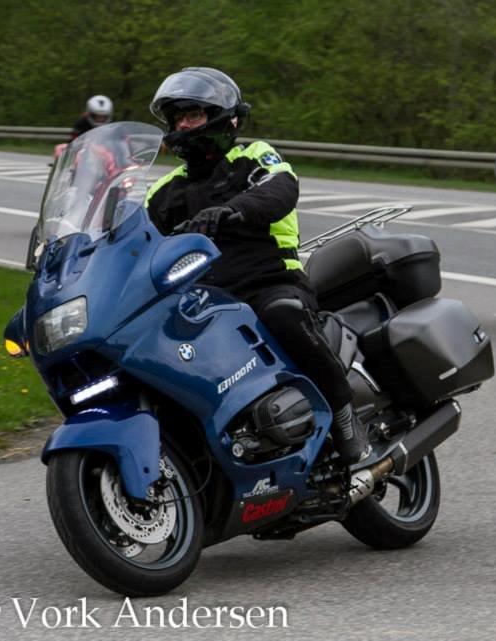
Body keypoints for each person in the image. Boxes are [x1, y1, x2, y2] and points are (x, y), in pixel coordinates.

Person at [144, 67, 370, 464]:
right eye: (177, 116)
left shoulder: (251, 157)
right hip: (206, 300)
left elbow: (280, 188)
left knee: (281, 314)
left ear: (223, 118)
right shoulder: (164, 191)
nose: (182, 124)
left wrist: (230, 211)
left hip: (268, 282)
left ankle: (343, 414)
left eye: (192, 114)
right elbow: (135, 237)